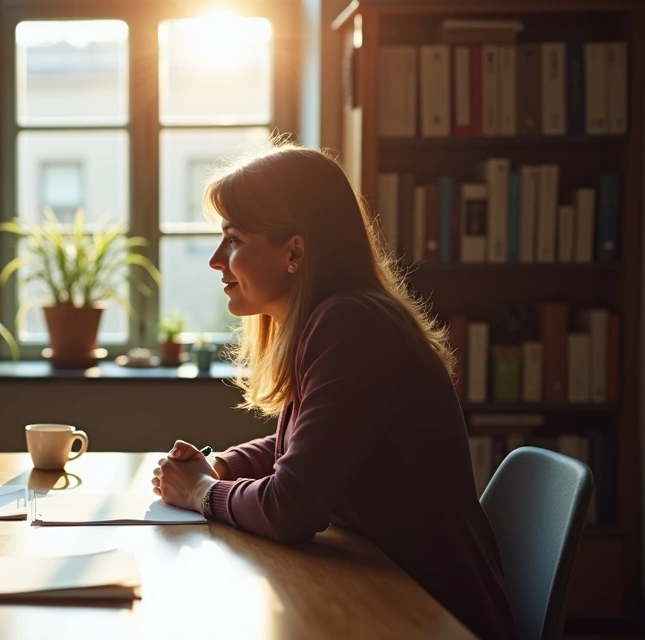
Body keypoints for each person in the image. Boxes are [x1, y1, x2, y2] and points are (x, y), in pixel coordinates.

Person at [150, 145, 516, 639]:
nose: (217, 260)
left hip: (432, 613)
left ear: (295, 251)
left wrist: (201, 491)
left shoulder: (351, 325)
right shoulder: (338, 319)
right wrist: (224, 466)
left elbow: (291, 509)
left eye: (233, 239)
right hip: (390, 588)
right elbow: (306, 447)